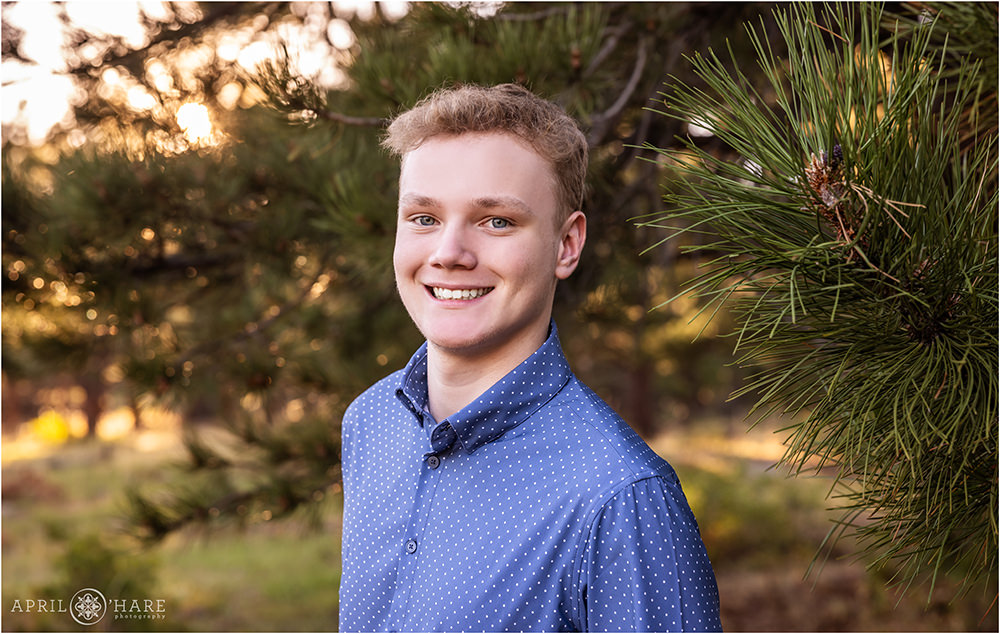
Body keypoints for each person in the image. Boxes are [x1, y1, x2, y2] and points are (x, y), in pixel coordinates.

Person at [339, 83, 722, 633]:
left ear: (566, 246)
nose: (448, 253)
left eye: (496, 221)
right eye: (424, 218)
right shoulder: (370, 422)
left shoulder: (624, 500)